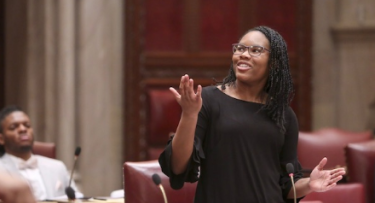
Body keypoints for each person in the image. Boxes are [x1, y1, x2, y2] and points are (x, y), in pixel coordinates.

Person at [158, 26, 346, 203]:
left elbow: (286, 185)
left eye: (255, 50)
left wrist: (309, 184)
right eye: (239, 49)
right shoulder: (208, 100)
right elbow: (178, 167)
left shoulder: (283, 115)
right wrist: (189, 115)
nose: (244, 55)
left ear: (273, 63)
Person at [0, 105, 82, 201]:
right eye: (13, 127)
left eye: (27, 125)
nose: (23, 129)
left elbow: (77, 199)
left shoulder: (57, 167)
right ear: (1, 139)